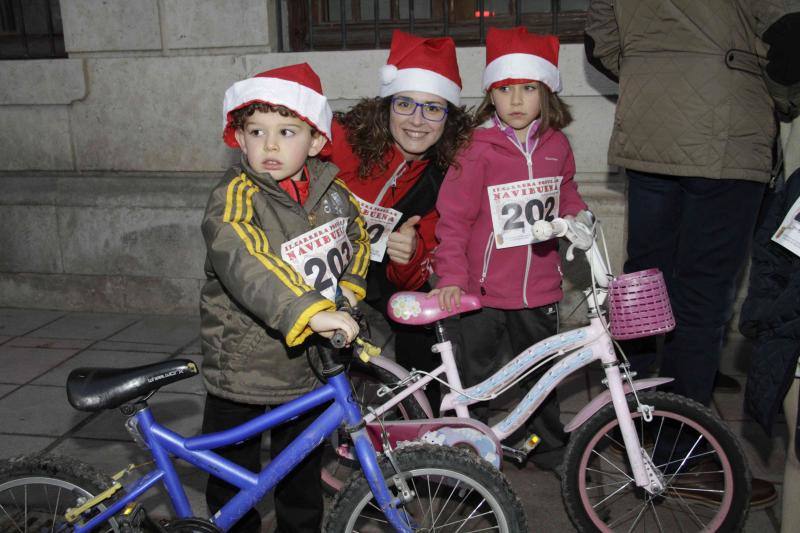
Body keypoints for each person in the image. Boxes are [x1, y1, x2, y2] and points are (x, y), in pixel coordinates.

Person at [584, 0, 790, 508]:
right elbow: (789, 38)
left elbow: (597, 38)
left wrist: (651, 67)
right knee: (699, 300)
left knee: (644, 286)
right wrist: (777, 95)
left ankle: (629, 429)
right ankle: (683, 458)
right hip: (725, 128)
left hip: (650, 118)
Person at [198, 63, 369, 532]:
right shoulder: (235, 195)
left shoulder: (334, 192)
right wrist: (311, 310)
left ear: (315, 141)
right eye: (256, 130)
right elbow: (244, 259)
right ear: (239, 137)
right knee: (231, 479)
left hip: (309, 366)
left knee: (301, 481)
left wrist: (348, 292)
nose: (269, 145)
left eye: (287, 131)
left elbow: (356, 240)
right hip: (243, 364)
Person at [433, 26, 588, 470]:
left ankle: (548, 447)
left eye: (527, 89)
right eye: (505, 89)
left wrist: (580, 219)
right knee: (475, 377)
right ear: (491, 95)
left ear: (546, 93)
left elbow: (567, 193)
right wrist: (453, 278)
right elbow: (455, 220)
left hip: (539, 289)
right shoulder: (476, 149)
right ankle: (468, 444)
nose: (516, 100)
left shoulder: (557, 145)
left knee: (543, 376)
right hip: (481, 294)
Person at [329, 30, 472, 412]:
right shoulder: (342, 140)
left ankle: (419, 420)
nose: (417, 121)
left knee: (425, 326)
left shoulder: (443, 175)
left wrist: (409, 255)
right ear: (386, 105)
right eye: (405, 104)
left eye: (433, 108)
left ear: (448, 118)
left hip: (380, 274)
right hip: (321, 269)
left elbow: (410, 276)